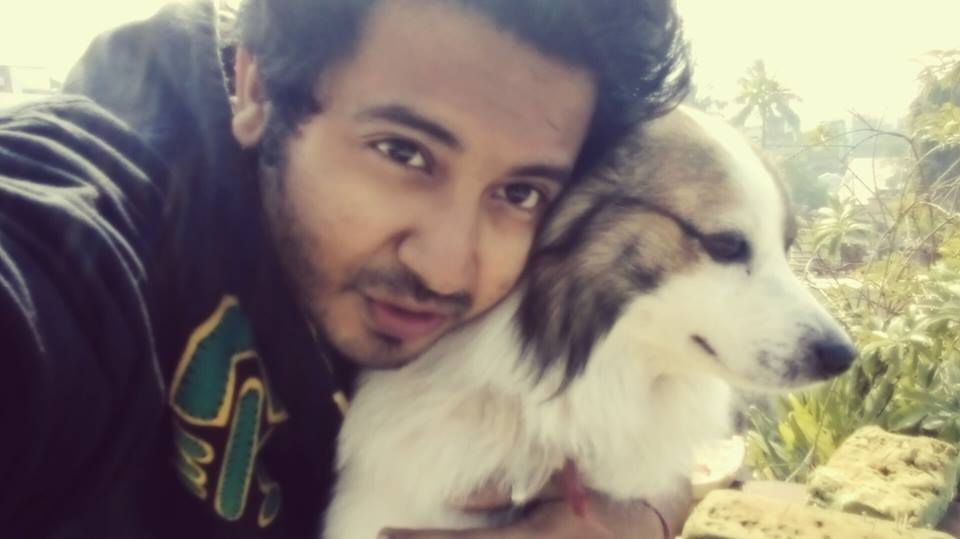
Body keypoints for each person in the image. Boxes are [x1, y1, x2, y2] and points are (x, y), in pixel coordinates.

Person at [0, 0, 691, 537]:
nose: (447, 270)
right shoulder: (112, 217)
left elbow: (665, 425)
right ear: (256, 90)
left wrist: (635, 516)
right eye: (402, 151)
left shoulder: (535, 272)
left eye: (519, 191)